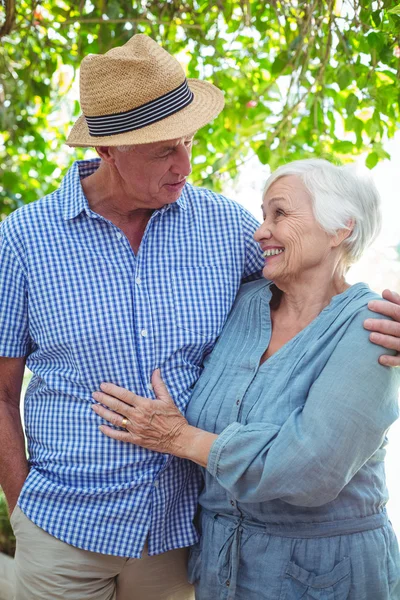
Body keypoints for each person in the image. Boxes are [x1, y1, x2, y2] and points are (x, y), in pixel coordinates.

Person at [0, 34, 399, 600]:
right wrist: (23, 508)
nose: (185, 164)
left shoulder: (225, 227)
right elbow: (2, 392)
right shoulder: (22, 242)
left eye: (188, 141)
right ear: (109, 150)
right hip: (64, 527)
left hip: (180, 533)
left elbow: (306, 290)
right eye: (164, 150)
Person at [93, 159, 400, 600]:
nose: (260, 231)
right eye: (262, 215)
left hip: (325, 574)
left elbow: (309, 468)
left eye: (280, 214)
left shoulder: (372, 329)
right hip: (223, 570)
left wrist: (179, 438)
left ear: (340, 230)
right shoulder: (245, 304)